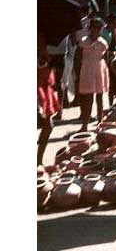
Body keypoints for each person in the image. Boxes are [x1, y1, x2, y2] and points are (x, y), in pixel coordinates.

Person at [75, 18, 110, 131]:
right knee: (87, 98)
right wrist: (77, 71)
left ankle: (100, 121)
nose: (95, 31)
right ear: (89, 29)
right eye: (93, 28)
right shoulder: (83, 42)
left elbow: (106, 57)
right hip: (86, 71)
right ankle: (85, 124)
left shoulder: (103, 43)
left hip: (99, 70)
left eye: (98, 29)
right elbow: (78, 57)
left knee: (99, 96)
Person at [38, 33, 61, 166]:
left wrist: (47, 61)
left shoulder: (41, 37)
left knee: (48, 125)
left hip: (44, 84)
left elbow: (43, 58)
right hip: (38, 85)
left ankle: (38, 159)